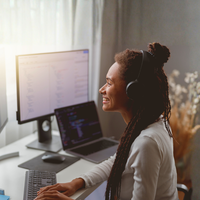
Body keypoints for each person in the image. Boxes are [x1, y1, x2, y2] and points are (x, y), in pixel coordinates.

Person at [35, 42, 178, 200]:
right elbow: (117, 161)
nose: (102, 89)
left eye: (109, 83)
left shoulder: (147, 143)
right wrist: (77, 182)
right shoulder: (154, 123)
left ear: (133, 90)